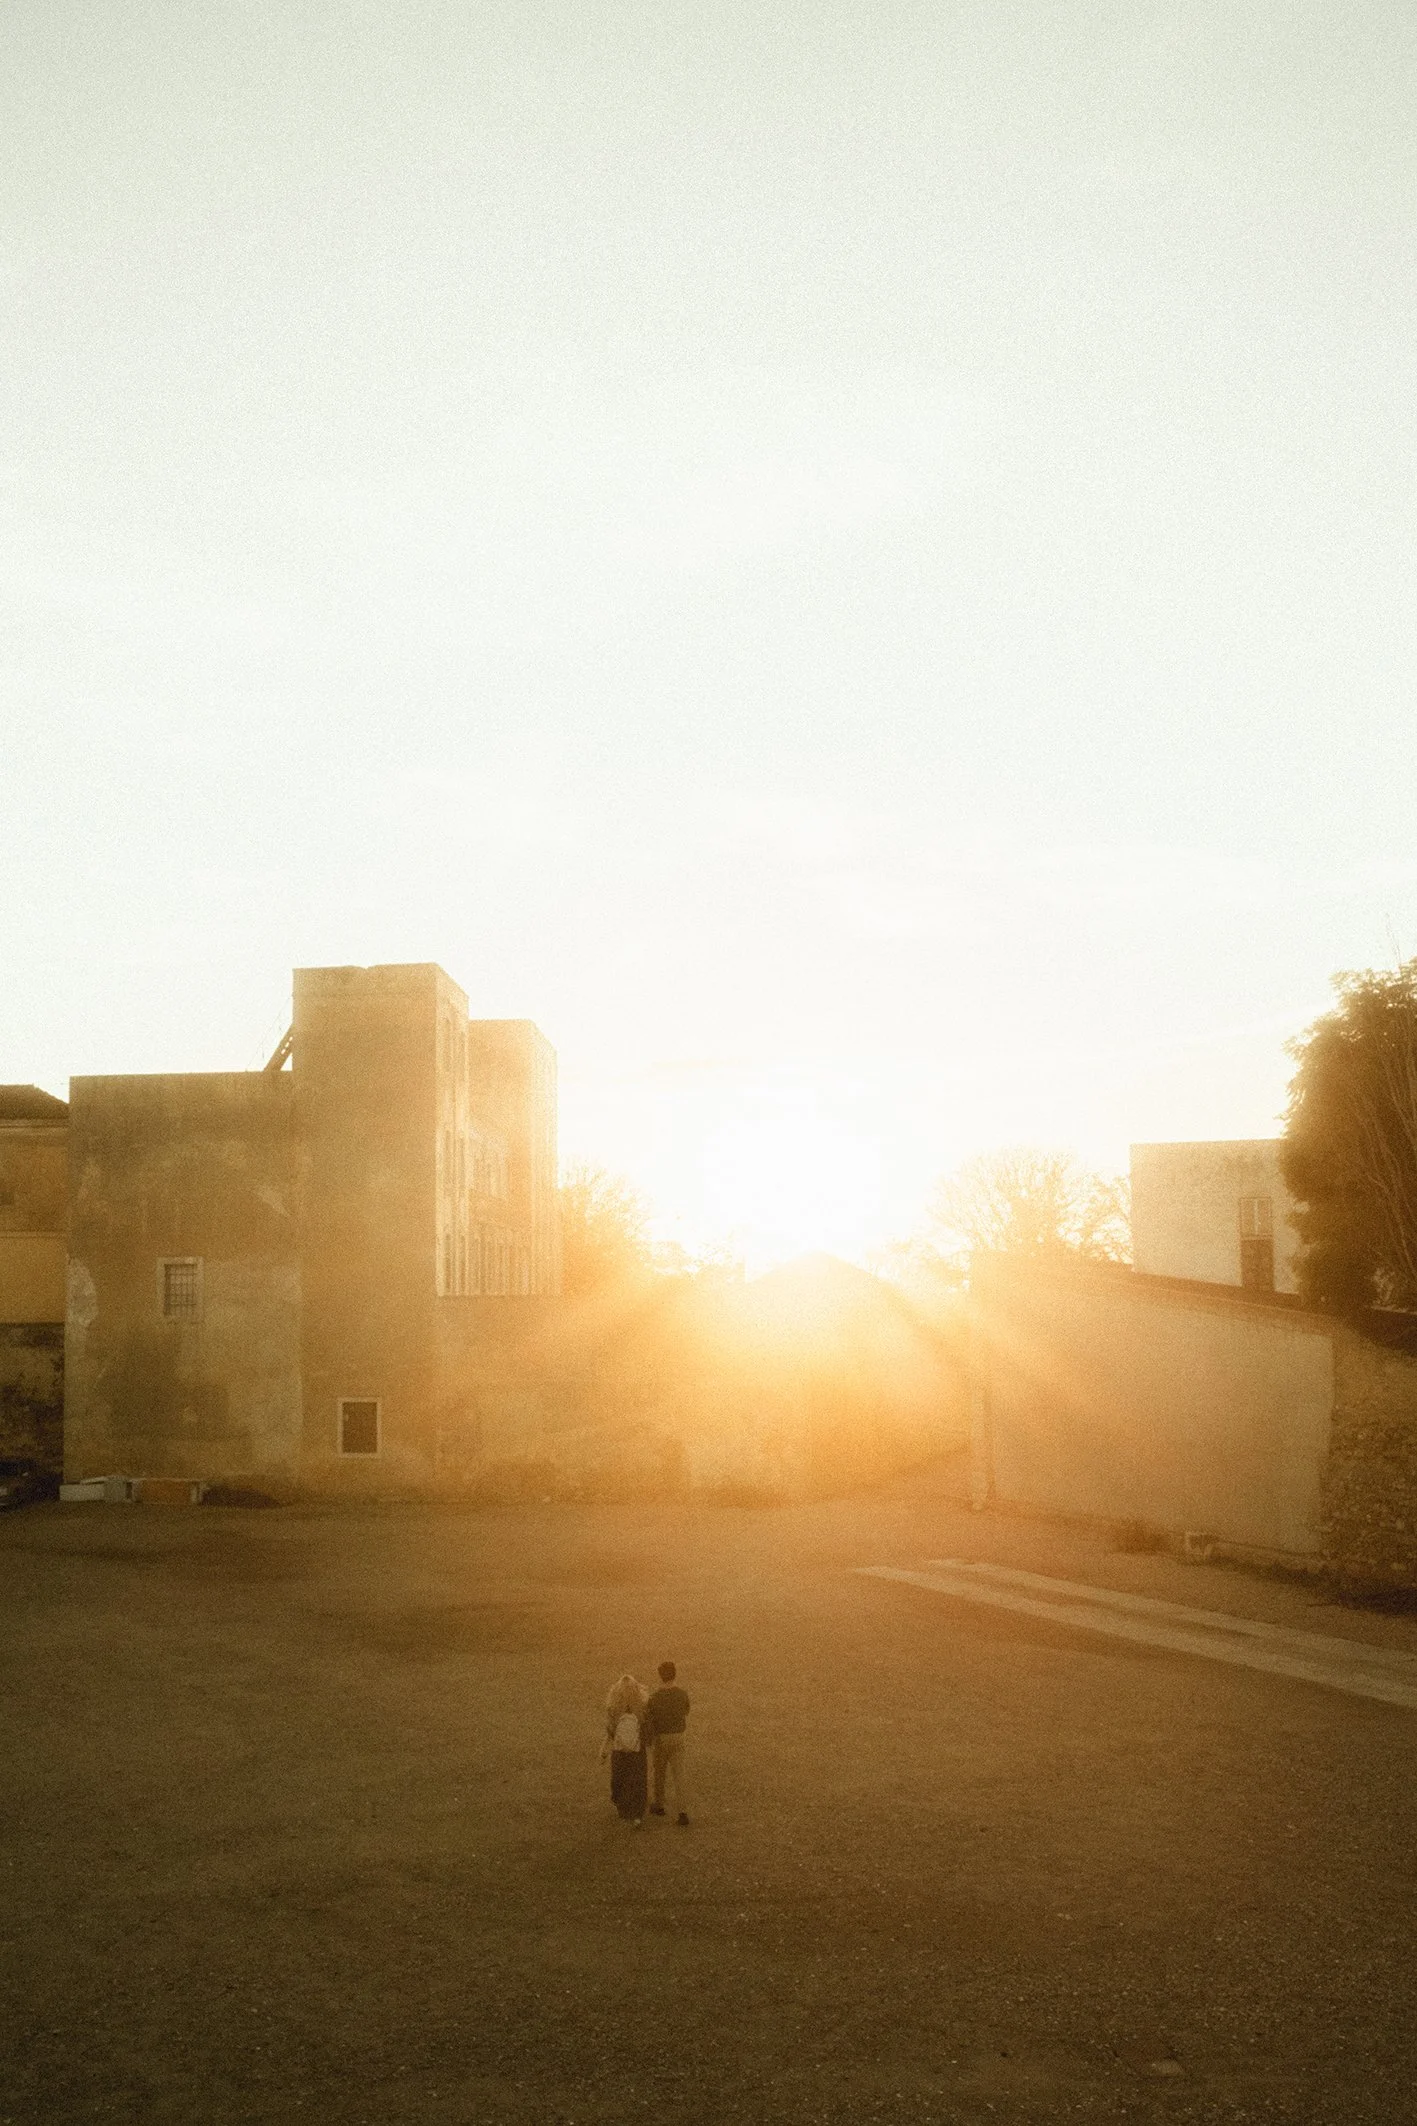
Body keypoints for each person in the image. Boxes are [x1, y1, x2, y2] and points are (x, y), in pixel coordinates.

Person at [645, 1660, 690, 1825]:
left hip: (661, 1738)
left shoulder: (654, 1698)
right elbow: (686, 1711)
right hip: (678, 1736)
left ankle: (659, 1805)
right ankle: (683, 1811)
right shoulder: (682, 1694)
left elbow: (650, 1718)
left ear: (660, 1676)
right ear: (674, 1675)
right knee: (679, 1775)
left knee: (659, 1773)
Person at [603, 1673, 648, 1824]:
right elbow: (645, 1727)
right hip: (637, 1750)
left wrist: (604, 1749)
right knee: (638, 1780)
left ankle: (622, 1807)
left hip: (619, 1750)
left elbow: (610, 1730)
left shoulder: (613, 1707)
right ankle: (637, 1813)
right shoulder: (642, 1706)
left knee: (619, 1778)